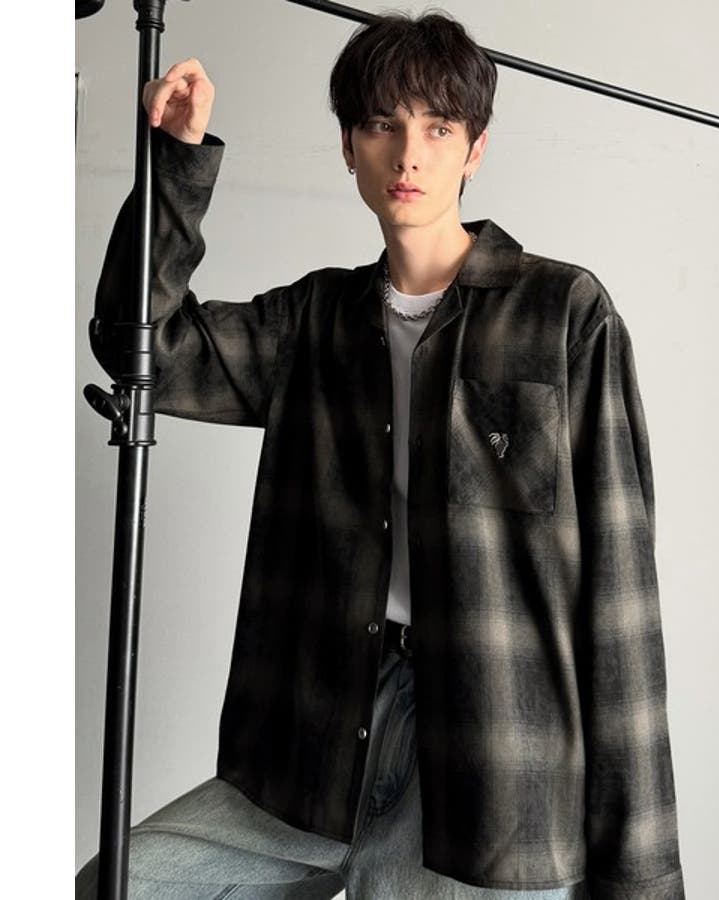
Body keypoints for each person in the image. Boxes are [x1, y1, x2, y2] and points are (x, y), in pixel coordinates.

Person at [77, 10, 685, 900]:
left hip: (492, 765)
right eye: (381, 125)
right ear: (348, 147)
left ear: (475, 150)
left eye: (438, 129)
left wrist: (640, 877)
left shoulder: (563, 313)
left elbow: (622, 598)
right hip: (317, 742)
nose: (409, 155)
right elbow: (143, 348)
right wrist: (174, 160)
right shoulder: (314, 322)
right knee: (120, 884)